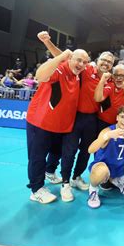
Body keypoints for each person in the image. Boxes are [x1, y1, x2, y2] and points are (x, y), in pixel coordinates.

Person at [37, 31, 115, 202]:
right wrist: (47, 42)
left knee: (86, 151)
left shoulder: (109, 82)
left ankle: (76, 177)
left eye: (110, 62)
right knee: (69, 150)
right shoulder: (86, 69)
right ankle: (65, 183)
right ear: (98, 60)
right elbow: (65, 58)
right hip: (75, 117)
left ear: (112, 66)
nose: (106, 63)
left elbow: (101, 97)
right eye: (104, 60)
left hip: (92, 119)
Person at [26, 48, 89, 204]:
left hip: (61, 126)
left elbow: (74, 60)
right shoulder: (58, 69)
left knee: (56, 152)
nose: (81, 64)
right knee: (37, 157)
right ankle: (36, 189)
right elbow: (39, 75)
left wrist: (48, 44)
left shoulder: (78, 75)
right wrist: (61, 56)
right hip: (41, 122)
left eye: (84, 62)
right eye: (78, 60)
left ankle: (50, 172)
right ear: (69, 59)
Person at [87, 106, 124, 209]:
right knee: (101, 171)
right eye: (122, 117)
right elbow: (90, 150)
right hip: (104, 167)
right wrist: (107, 136)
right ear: (117, 118)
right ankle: (93, 189)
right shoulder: (107, 131)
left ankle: (119, 180)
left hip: (120, 166)